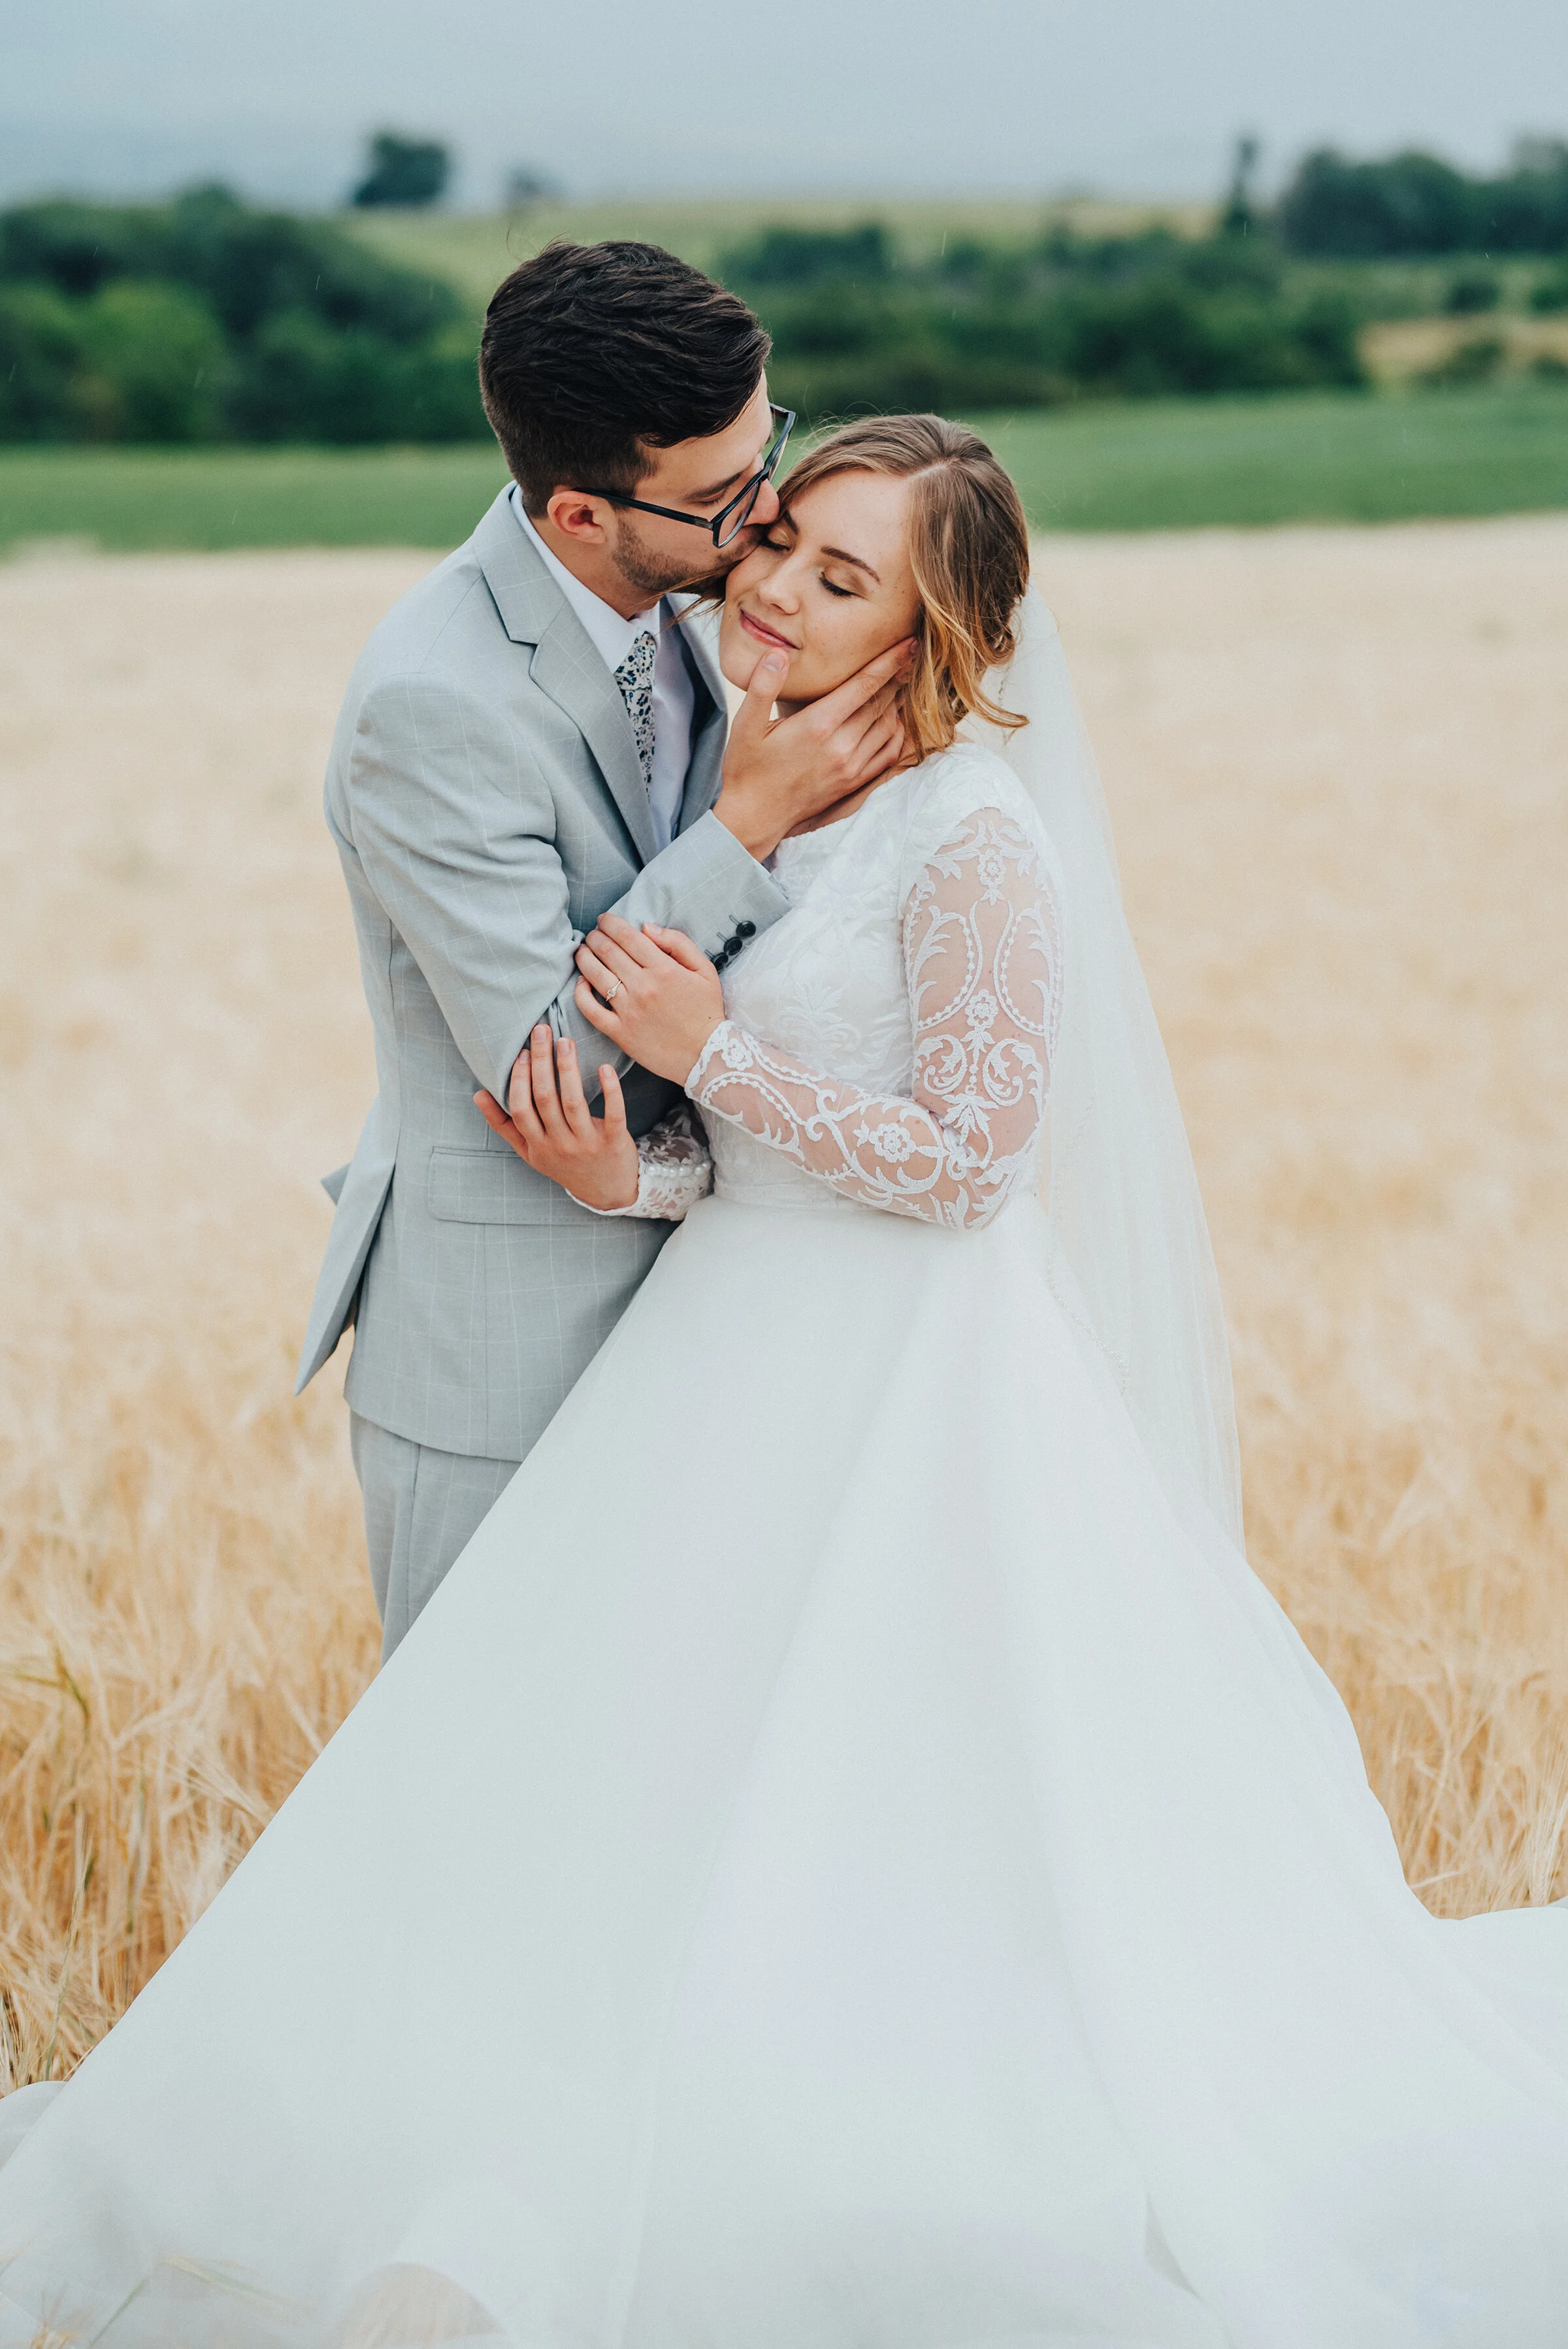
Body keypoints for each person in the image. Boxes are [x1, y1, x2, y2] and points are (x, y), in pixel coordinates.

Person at [1, 418, 1565, 2349]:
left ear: (937, 629)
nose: (780, 592)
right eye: (780, 546)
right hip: (720, 1361)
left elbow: (974, 1163)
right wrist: (630, 1166)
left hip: (916, 1402)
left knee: (881, 1799)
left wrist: (713, 1052)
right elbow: (750, 1160)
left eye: (848, 579)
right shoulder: (786, 796)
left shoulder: (977, 834)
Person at [295, 238, 912, 1655]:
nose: (768, 519)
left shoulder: (709, 600)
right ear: (579, 512)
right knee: (485, 1786)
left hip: (730, 1311)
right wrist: (743, 828)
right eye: (722, 497)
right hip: (510, 1352)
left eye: (771, 453)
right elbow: (554, 1073)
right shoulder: (432, 704)